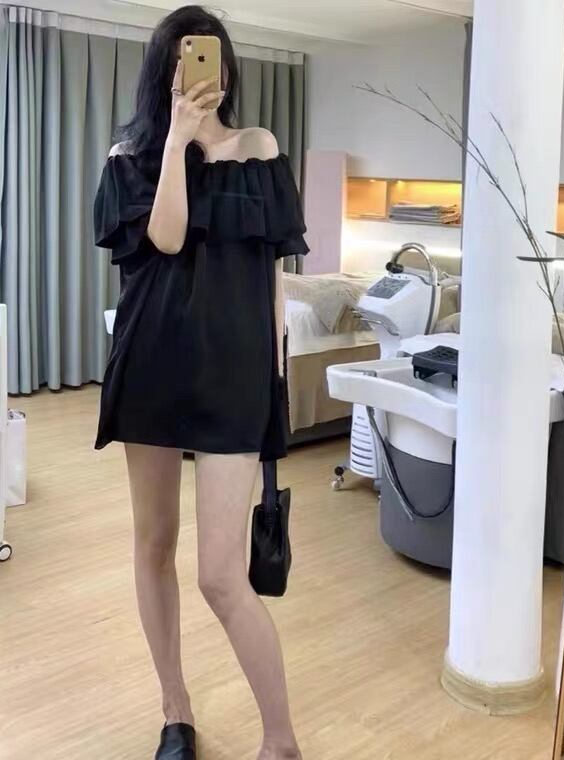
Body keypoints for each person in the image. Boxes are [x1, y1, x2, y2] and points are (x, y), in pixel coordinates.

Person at [92, 5, 306, 759]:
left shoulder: (259, 147)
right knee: (154, 544)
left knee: (221, 575)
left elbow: (274, 279)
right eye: (185, 58)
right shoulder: (130, 156)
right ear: (166, 70)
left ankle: (280, 741)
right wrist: (179, 141)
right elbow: (167, 237)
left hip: (233, 378)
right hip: (151, 366)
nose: (199, 70)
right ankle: (175, 710)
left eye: (210, 56)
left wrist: (275, 381)